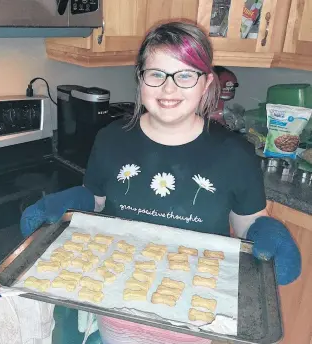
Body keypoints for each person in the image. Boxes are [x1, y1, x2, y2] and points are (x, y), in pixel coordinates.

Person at [21, 21, 301, 344]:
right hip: (115, 320)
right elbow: (95, 200)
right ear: (140, 78)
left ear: (207, 82)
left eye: (185, 75)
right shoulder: (111, 140)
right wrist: (61, 205)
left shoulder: (235, 154)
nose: (169, 89)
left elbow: (247, 225)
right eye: (156, 74)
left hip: (192, 327)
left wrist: (269, 234)